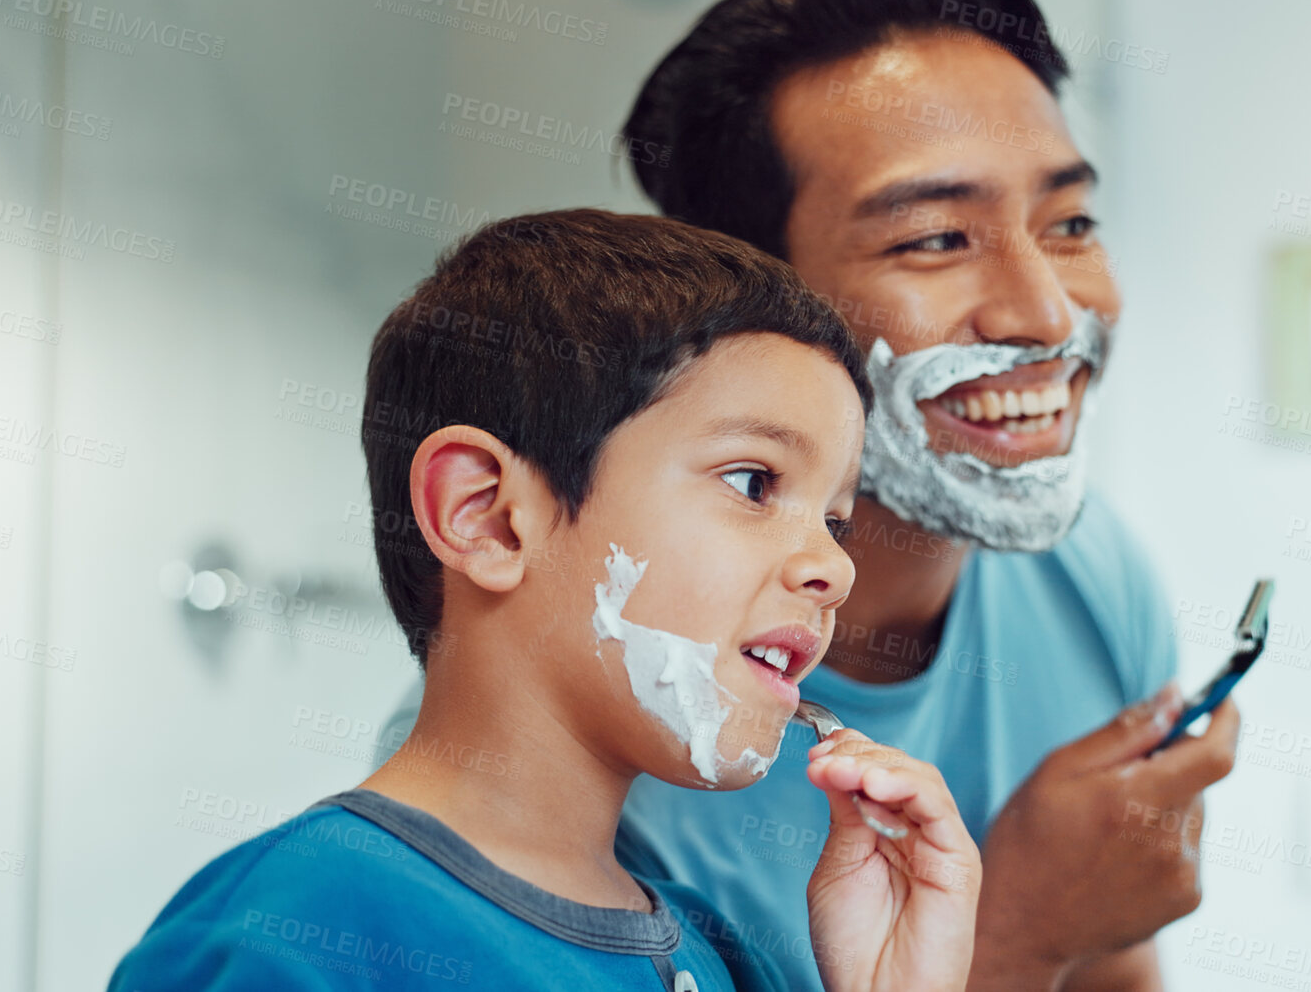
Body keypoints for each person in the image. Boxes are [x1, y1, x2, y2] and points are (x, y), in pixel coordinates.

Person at [379, 0, 1241, 988]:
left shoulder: (1090, 571)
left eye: (1070, 224)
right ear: (756, 308)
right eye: (936, 239)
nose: (1048, 314)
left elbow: (1119, 972)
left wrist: (1085, 920)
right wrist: (1016, 932)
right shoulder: (573, 747)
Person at [113, 211, 980, 991]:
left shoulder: (722, 955)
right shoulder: (294, 933)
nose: (833, 565)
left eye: (835, 520)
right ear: (487, 517)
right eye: (753, 481)